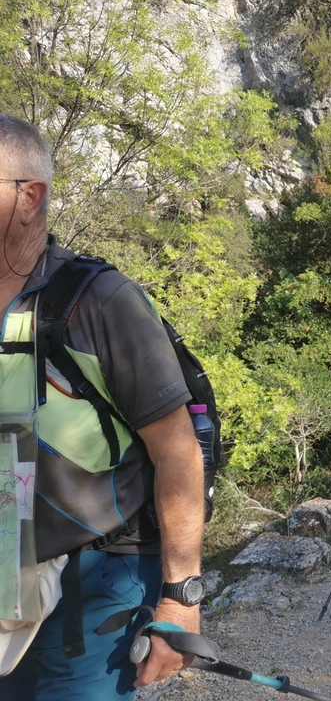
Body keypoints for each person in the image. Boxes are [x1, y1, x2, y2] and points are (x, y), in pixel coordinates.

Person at [0, 114, 204, 697]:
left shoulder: (100, 301)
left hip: (97, 582)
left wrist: (180, 599)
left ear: (28, 197)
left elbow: (177, 452)